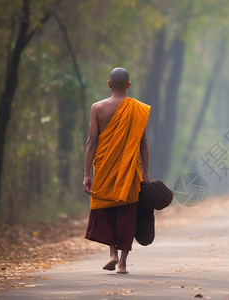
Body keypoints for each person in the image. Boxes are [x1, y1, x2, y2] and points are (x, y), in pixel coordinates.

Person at [83, 67, 151, 274]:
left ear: (109, 84)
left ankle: (112, 253)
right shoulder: (137, 109)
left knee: (107, 209)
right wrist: (146, 172)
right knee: (127, 213)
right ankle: (122, 263)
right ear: (128, 85)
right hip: (130, 170)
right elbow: (143, 142)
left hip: (103, 169)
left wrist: (87, 174)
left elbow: (91, 142)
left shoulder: (97, 108)